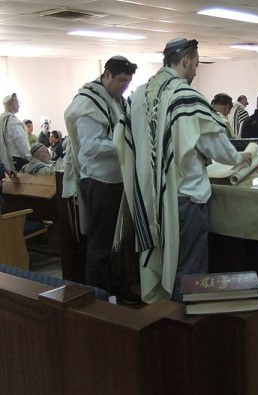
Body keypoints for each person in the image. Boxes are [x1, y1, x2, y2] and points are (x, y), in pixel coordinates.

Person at [114, 38, 251, 304]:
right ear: (186, 60)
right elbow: (213, 143)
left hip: (149, 197)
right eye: (197, 64)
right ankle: (185, 328)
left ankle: (164, 322)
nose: (197, 70)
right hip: (184, 197)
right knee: (189, 269)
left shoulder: (139, 94)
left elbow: (122, 141)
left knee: (166, 260)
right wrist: (239, 157)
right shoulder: (184, 94)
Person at [63, 55, 141, 304]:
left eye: (128, 82)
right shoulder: (88, 103)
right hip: (100, 180)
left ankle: (116, 289)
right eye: (120, 80)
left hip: (118, 179)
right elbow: (91, 147)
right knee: (101, 243)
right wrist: (124, 144)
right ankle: (97, 297)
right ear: (106, 74)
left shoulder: (117, 99)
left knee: (117, 241)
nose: (124, 87)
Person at [0, 93, 31, 171]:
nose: (19, 105)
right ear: (14, 104)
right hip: (16, 162)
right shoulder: (14, 122)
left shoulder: (1, 119)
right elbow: (22, 145)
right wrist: (31, 159)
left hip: (3, 161)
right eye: (18, 102)